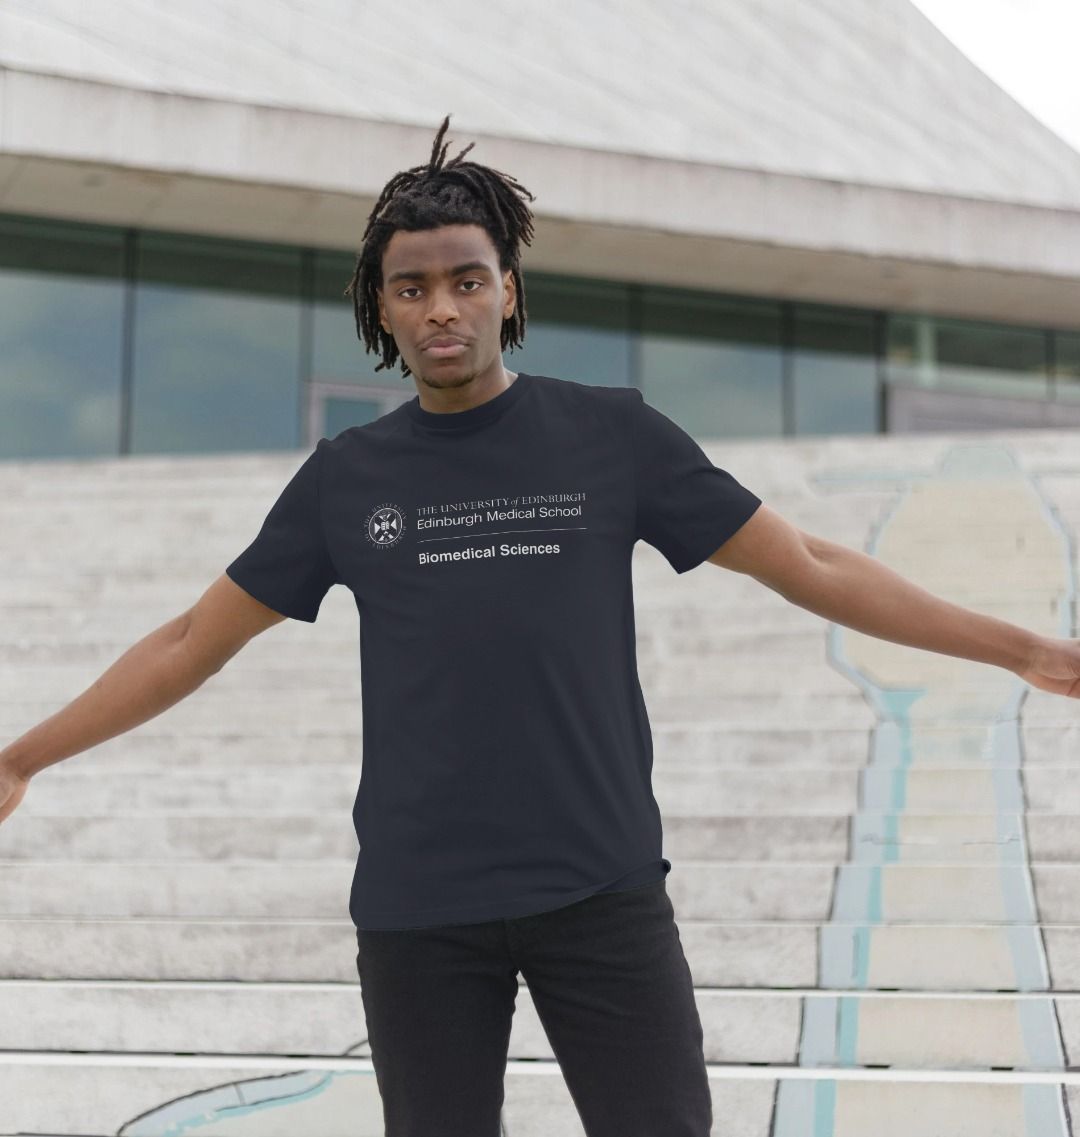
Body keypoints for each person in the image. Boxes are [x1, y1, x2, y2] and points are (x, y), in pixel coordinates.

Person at [1, 114, 1078, 1137]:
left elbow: (808, 562)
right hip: (421, 908)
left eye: (467, 281)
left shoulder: (611, 436)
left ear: (508, 290)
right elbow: (194, 640)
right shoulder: (347, 479)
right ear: (379, 310)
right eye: (411, 288)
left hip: (600, 887)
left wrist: (1021, 647)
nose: (441, 311)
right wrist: (24, 758)